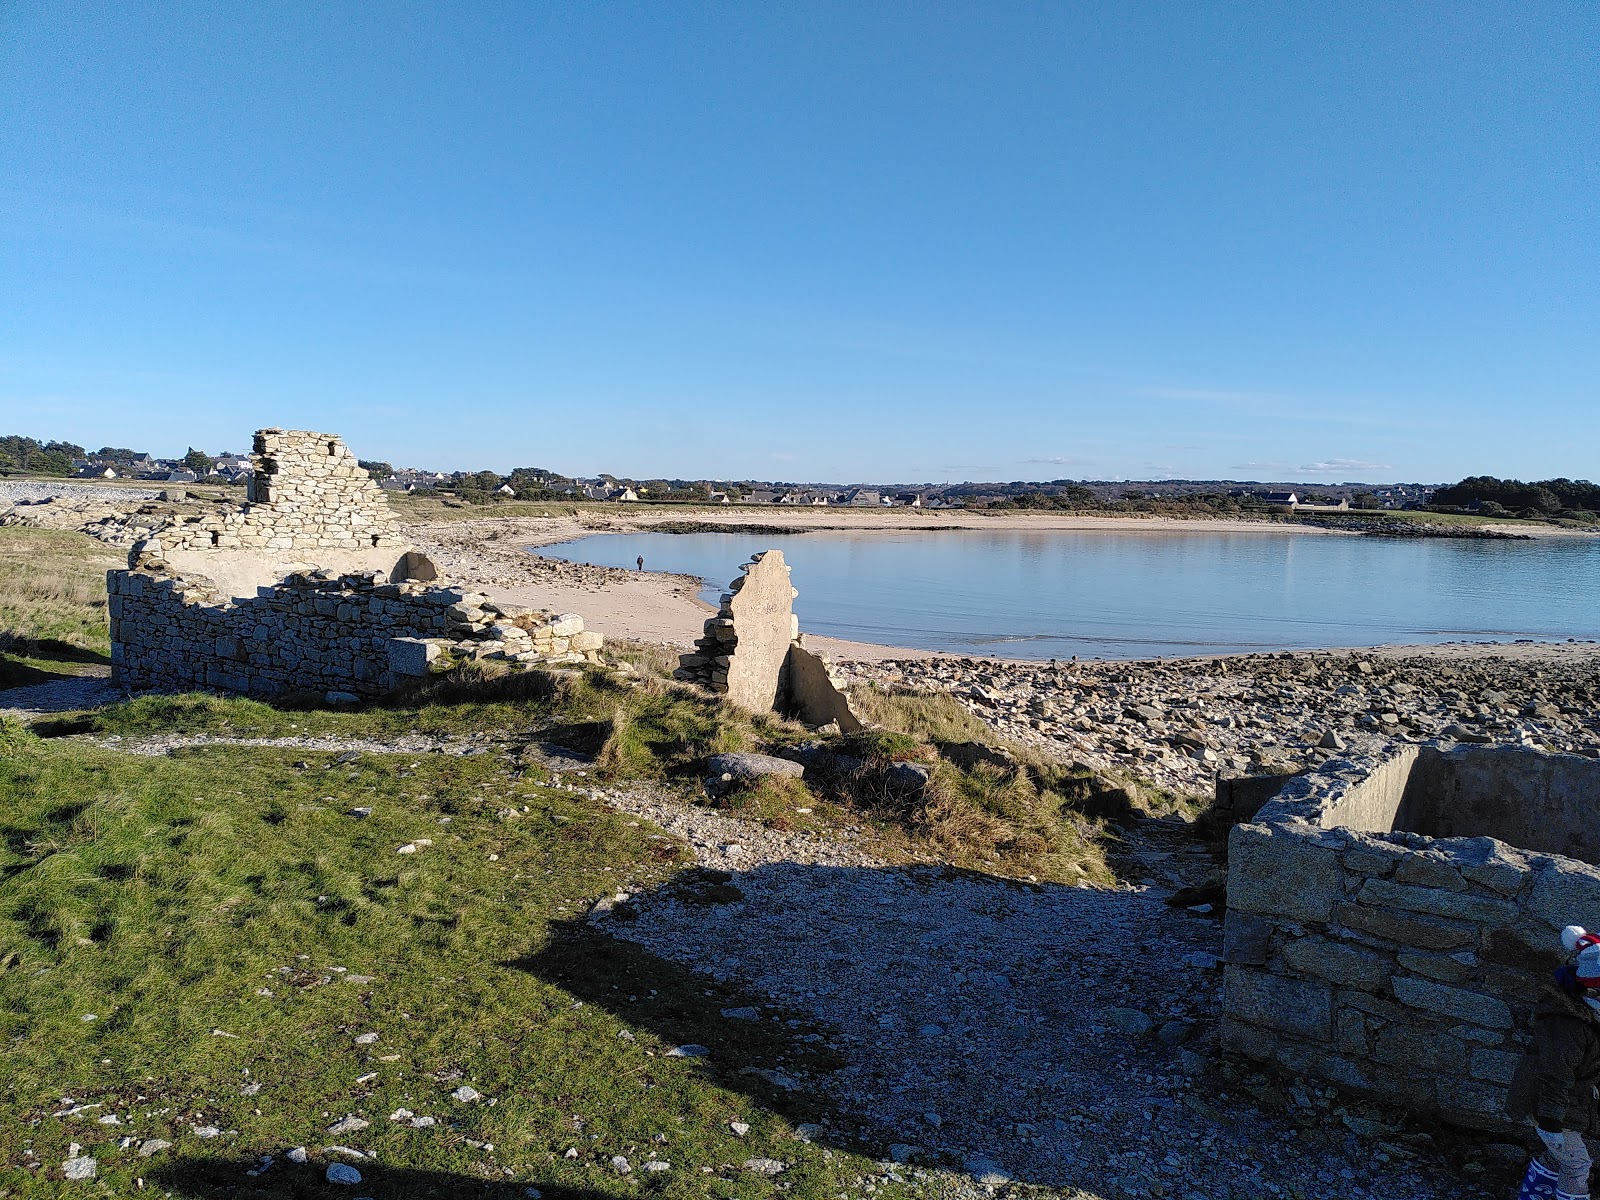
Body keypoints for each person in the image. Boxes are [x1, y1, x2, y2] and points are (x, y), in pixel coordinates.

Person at [1507, 924, 1600, 1200]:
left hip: (1569, 1101)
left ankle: (1532, 1196)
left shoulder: (1589, 1013)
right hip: (1551, 1104)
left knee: (1559, 1155)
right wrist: (1550, 1122)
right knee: (1576, 1164)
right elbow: (1555, 1074)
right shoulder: (1567, 1024)